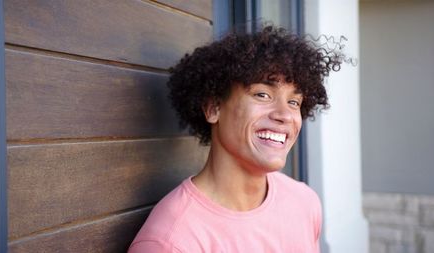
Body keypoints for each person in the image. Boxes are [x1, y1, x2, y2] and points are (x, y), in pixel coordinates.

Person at [128, 25, 343, 253]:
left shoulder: (304, 203)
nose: (284, 115)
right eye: (262, 94)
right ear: (213, 108)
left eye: (294, 102)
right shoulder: (171, 242)